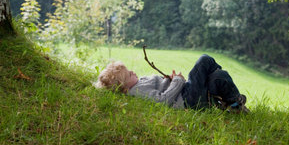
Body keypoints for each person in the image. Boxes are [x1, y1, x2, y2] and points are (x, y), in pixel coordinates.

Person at [95, 54, 249, 113]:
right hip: (187, 99)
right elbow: (163, 100)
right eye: (129, 74)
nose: (133, 72)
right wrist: (177, 80)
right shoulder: (137, 90)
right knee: (204, 60)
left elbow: (161, 88)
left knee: (218, 76)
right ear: (124, 86)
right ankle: (221, 98)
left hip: (187, 94)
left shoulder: (137, 84)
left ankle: (235, 105)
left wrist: (168, 79)